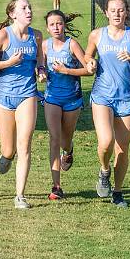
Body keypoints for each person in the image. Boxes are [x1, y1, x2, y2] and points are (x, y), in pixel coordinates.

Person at [0, 0, 47, 209]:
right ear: (12, 14)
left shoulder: (36, 36)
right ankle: (7, 155)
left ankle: (20, 196)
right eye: (23, 8)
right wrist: (8, 62)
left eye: (29, 8)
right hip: (3, 97)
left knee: (24, 145)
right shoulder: (3, 35)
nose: (29, 11)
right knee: (9, 149)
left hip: (27, 94)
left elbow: (40, 59)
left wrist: (41, 70)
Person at [84, 0, 130, 208]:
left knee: (122, 148)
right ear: (106, 12)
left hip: (126, 98)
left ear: (126, 12)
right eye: (113, 10)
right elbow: (87, 57)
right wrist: (90, 63)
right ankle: (104, 170)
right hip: (102, 95)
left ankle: (118, 192)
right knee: (105, 141)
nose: (116, 14)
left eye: (121, 10)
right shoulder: (97, 35)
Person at [41, 10, 92, 200]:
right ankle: (56, 186)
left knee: (65, 139)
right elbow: (39, 66)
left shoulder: (72, 45)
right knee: (54, 138)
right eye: (52, 24)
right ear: (47, 27)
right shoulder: (45, 46)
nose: (56, 27)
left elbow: (88, 70)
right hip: (52, 97)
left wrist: (67, 70)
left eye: (59, 23)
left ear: (64, 25)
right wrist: (41, 73)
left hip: (72, 98)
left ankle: (68, 151)